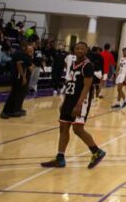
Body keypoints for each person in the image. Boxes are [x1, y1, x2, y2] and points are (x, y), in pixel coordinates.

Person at [40, 41, 106, 169]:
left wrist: (79, 104)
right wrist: (64, 101)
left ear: (86, 51)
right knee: (63, 127)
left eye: (82, 48)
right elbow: (69, 84)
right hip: (69, 99)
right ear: (74, 50)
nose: (80, 50)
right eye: (77, 48)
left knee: (77, 129)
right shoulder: (72, 64)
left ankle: (97, 152)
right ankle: (60, 158)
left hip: (81, 101)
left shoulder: (88, 65)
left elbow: (87, 87)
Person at [0, 41, 32, 119]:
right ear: (24, 46)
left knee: (16, 95)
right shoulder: (20, 53)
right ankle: (5, 111)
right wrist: (23, 77)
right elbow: (19, 65)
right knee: (13, 94)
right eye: (27, 46)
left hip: (16, 76)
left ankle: (13, 110)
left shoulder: (19, 53)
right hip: (16, 77)